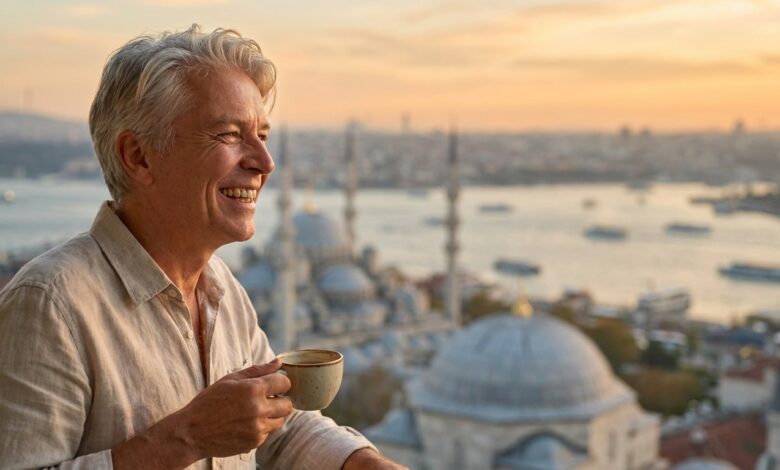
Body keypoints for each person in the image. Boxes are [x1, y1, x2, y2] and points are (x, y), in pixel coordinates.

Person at [0, 25, 405, 470]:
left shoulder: (222, 289)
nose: (264, 162)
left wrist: (362, 463)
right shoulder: (52, 305)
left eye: (262, 136)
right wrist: (187, 437)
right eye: (229, 135)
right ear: (138, 156)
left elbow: (277, 424)